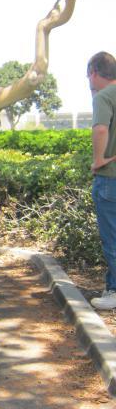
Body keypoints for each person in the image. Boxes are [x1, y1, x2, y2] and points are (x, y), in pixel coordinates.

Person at [87, 51, 116, 309]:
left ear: (95, 72)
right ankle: (111, 286)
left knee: (113, 237)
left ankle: (115, 291)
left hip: (110, 178)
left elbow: (100, 129)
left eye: (88, 75)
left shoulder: (105, 97)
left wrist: (98, 160)